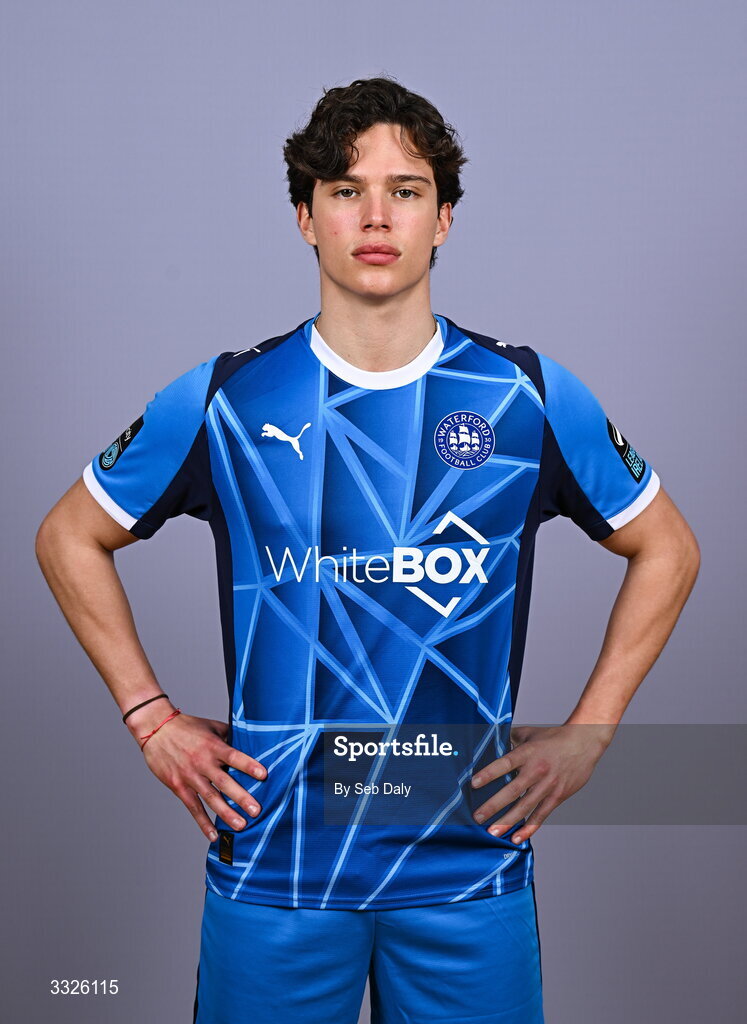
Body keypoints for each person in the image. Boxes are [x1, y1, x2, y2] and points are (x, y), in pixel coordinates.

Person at [35, 76, 700, 1024]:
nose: (376, 215)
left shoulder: (526, 397)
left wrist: (589, 733)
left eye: (407, 189)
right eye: (346, 190)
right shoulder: (226, 400)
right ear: (306, 218)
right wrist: (151, 717)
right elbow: (68, 535)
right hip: (278, 866)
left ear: (445, 219)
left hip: (466, 866)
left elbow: (668, 549)